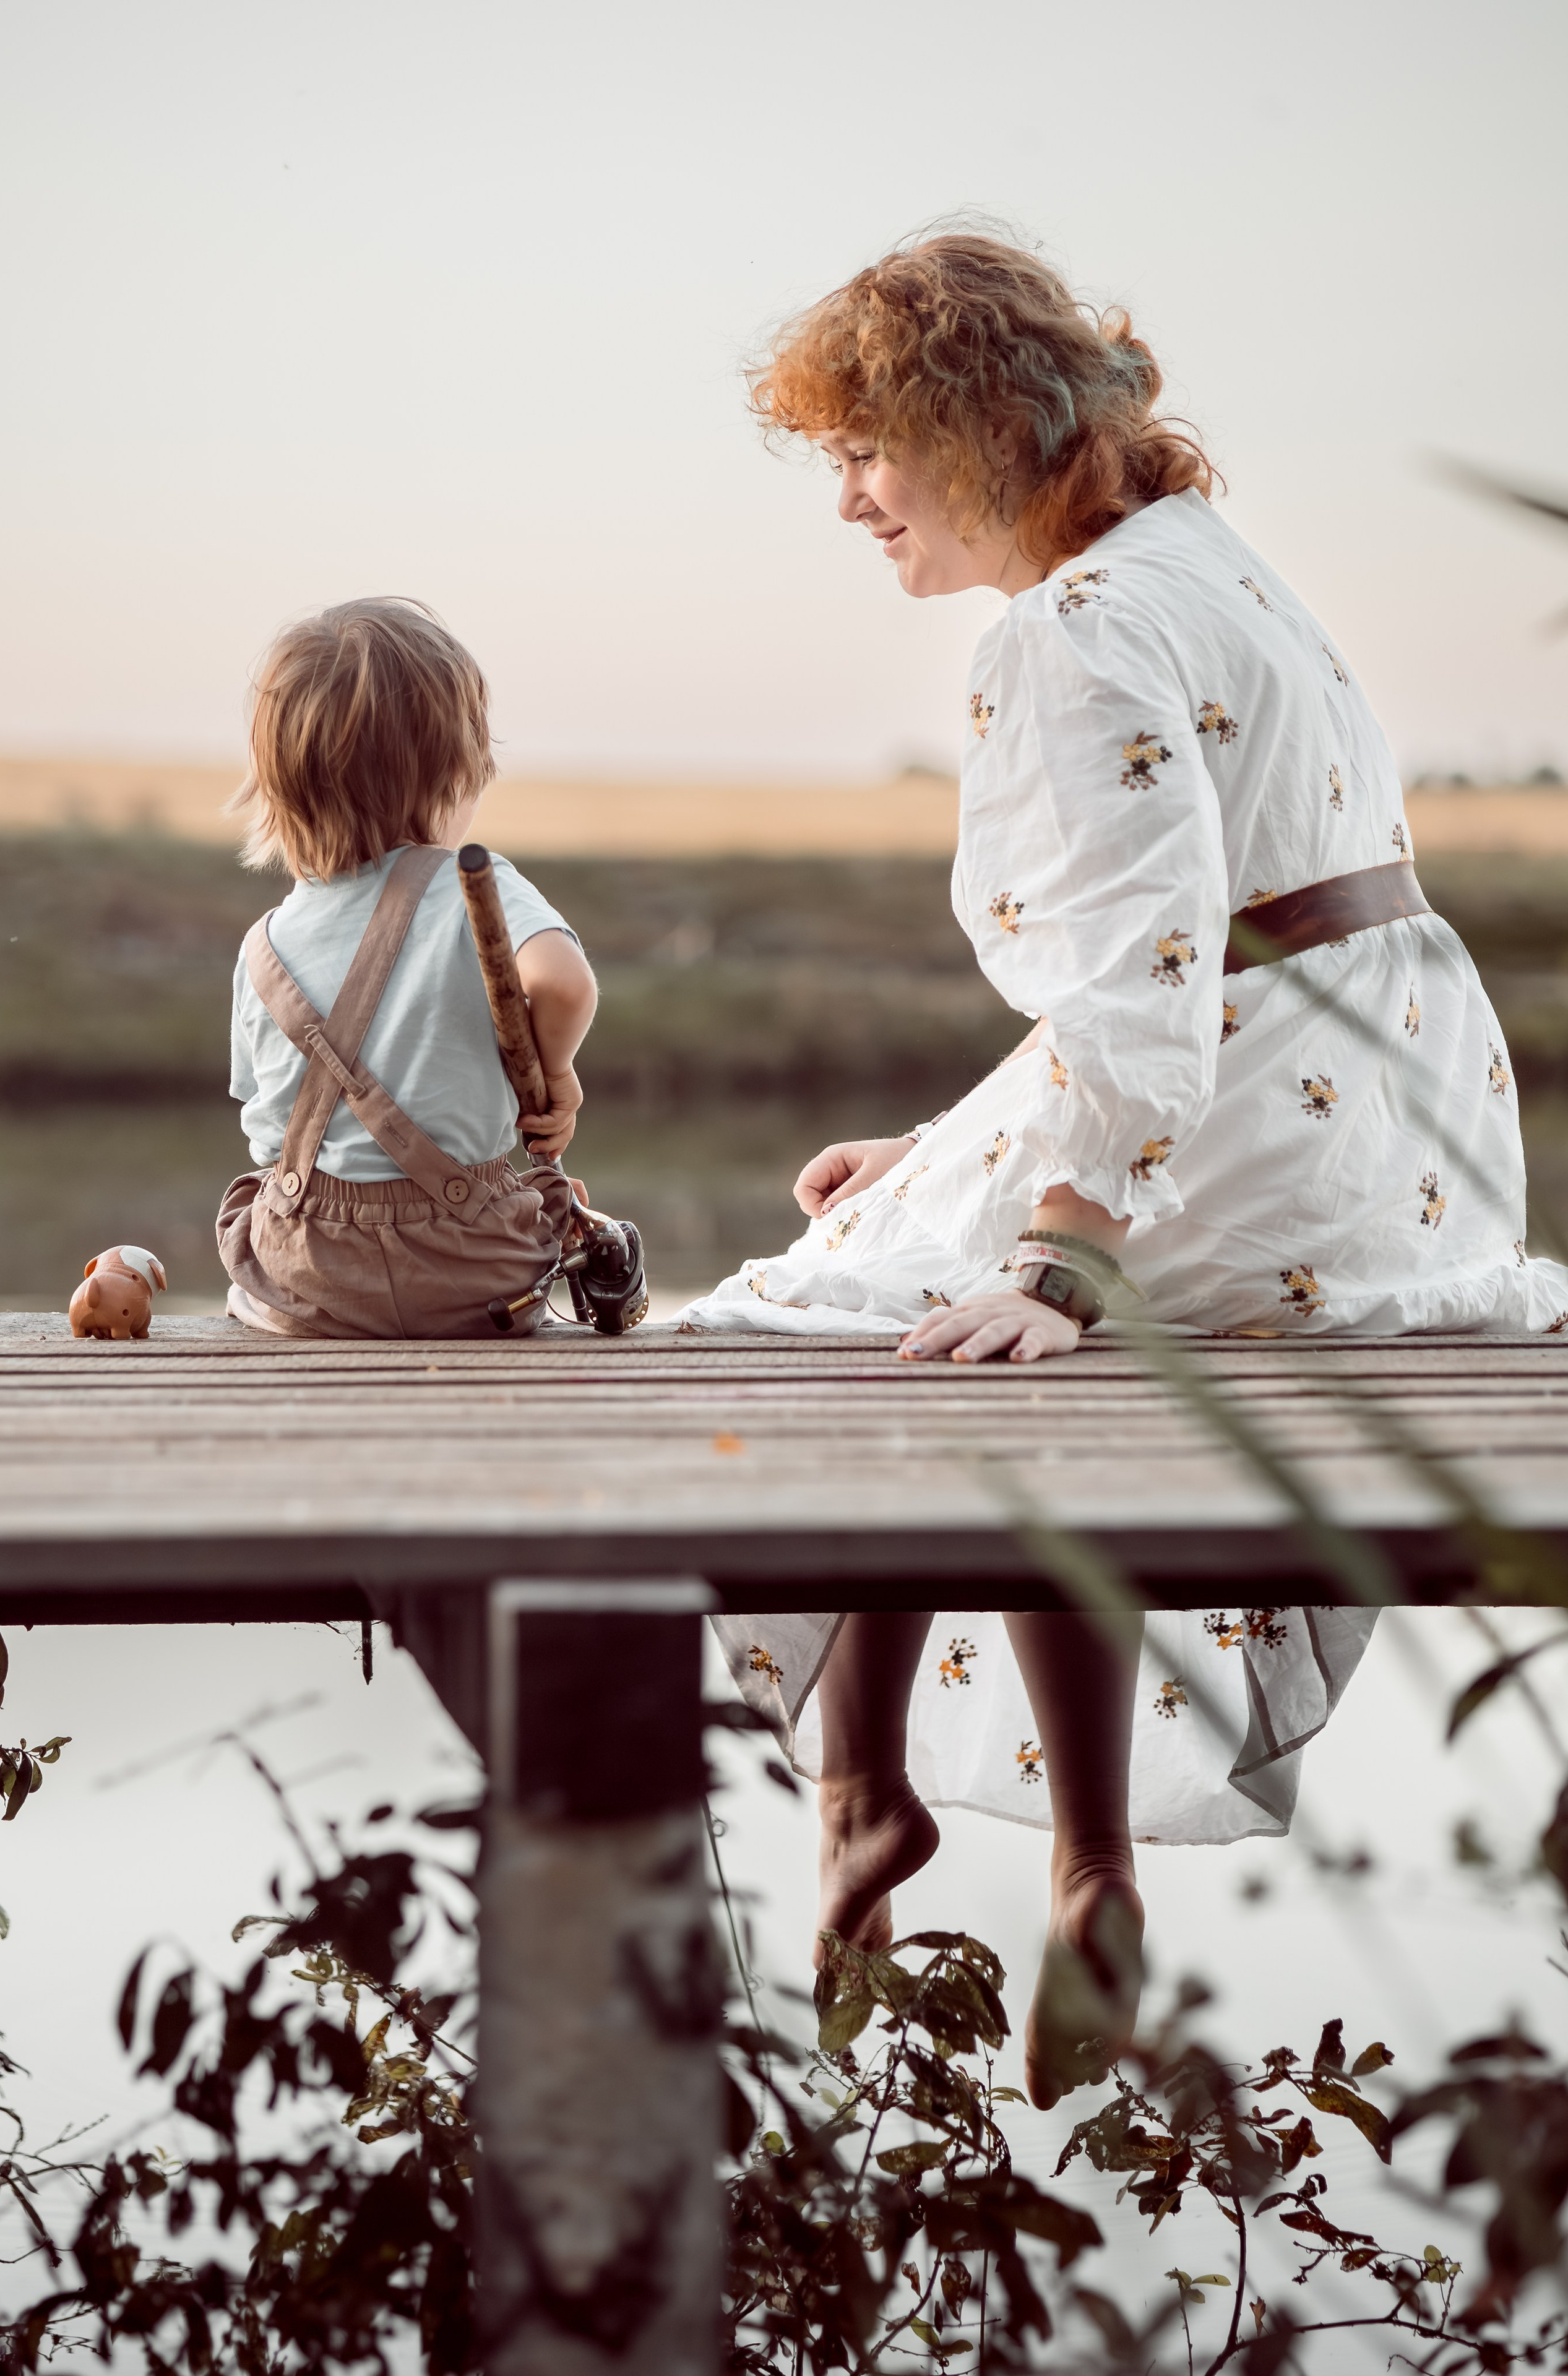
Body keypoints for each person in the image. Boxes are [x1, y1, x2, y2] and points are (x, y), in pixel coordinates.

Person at [686, 232, 1568, 2106]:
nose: (844, 500)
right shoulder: (1201, 566)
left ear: (973, 430)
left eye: (865, 452)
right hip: (1389, 1123)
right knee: (903, 1237)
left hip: (1250, 1123)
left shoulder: (1067, 633)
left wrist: (1060, 1250)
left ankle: (856, 1795)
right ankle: (1083, 1858)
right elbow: (1195, 946)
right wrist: (947, 1148)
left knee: (832, 1312)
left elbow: (1149, 975)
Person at [218, 597, 598, 1338]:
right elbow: (562, 980)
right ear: (451, 775)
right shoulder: (473, 881)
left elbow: (267, 1134)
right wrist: (557, 1073)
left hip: (316, 1277)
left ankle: (272, 1311)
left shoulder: (263, 943)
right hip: (472, 1274)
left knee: (253, 1197)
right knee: (551, 1202)